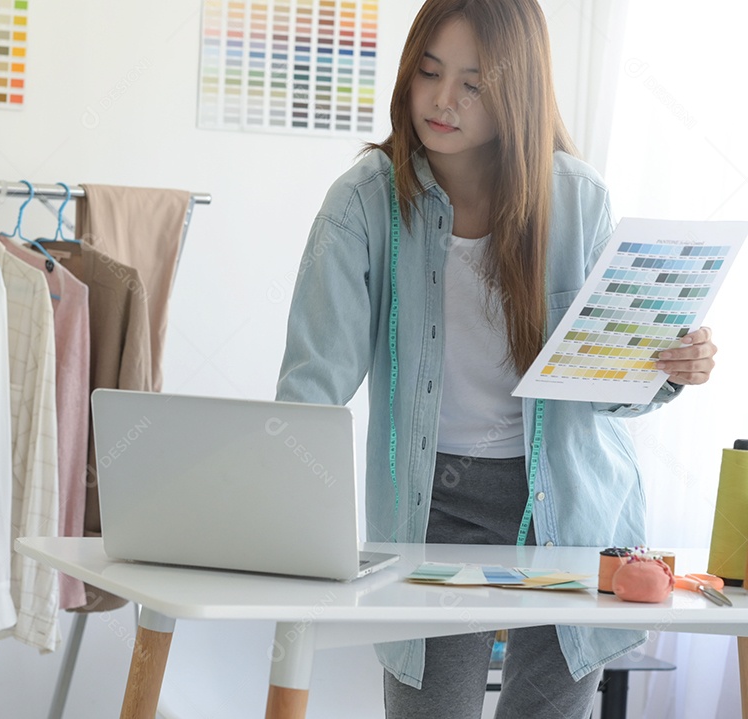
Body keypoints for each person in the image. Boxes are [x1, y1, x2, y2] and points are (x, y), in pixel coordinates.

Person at [275, 0, 718, 717]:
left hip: (570, 506)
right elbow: (311, 385)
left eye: (473, 83)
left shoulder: (578, 198)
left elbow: (615, 383)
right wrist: (283, 520)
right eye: (428, 71)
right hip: (433, 509)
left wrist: (669, 367)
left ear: (518, 91)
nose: (442, 100)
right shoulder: (362, 204)